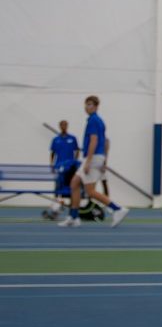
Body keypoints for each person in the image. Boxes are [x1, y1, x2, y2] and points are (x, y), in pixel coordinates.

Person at [58, 96, 130, 228]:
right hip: (96, 157)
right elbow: (106, 141)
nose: (87, 107)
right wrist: (104, 160)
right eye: (86, 104)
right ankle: (74, 217)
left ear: (96, 106)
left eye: (90, 104)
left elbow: (94, 140)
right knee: (74, 183)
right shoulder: (98, 121)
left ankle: (117, 209)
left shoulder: (93, 121)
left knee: (90, 191)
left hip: (92, 158)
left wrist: (88, 161)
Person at [44, 120, 80, 220]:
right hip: (59, 168)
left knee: (71, 189)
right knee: (57, 189)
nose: (64, 126)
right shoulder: (55, 139)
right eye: (62, 125)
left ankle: (71, 211)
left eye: (65, 125)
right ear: (59, 126)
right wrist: (52, 165)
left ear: (67, 126)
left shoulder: (72, 139)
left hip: (70, 169)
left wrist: (74, 162)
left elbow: (77, 150)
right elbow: (52, 153)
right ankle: (55, 210)